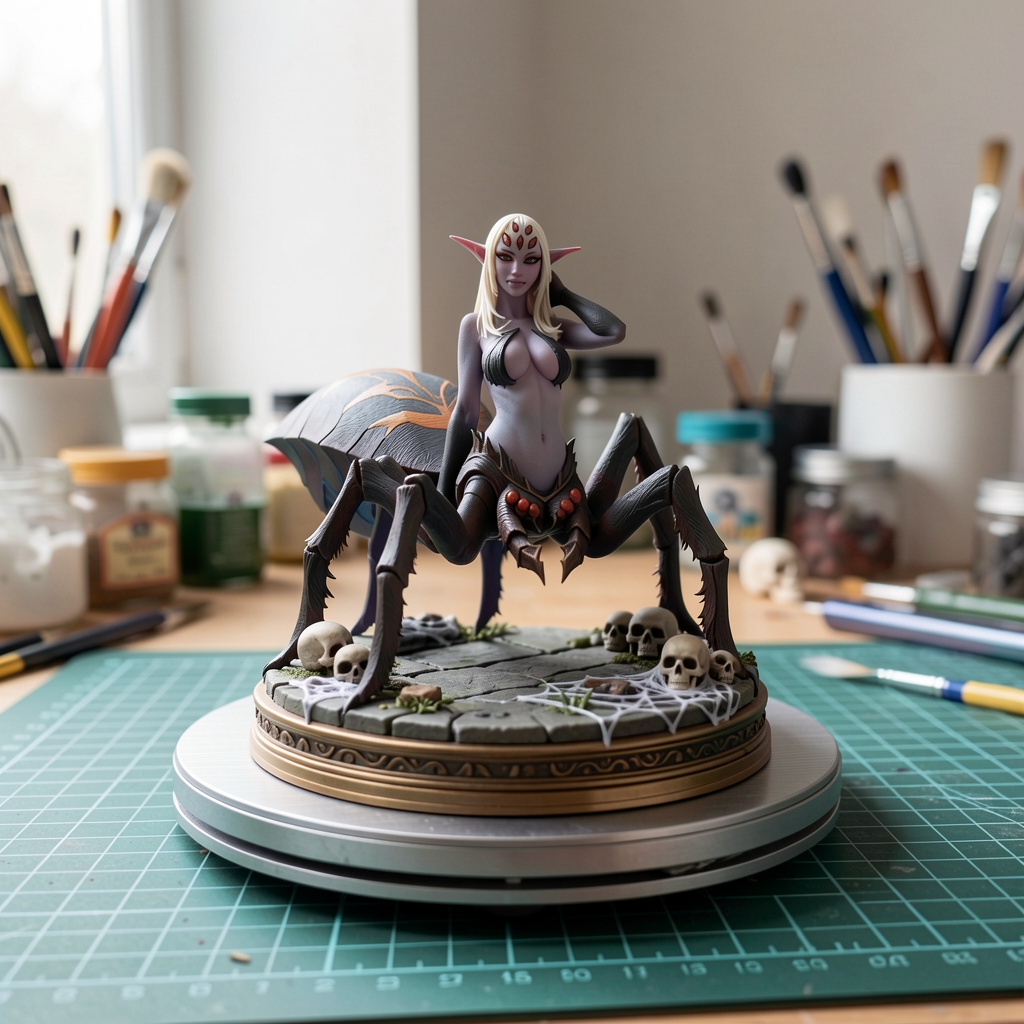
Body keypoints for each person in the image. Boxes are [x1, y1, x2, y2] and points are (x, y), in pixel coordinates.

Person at [442, 213, 626, 581]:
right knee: (459, 551)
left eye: (531, 259)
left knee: (600, 538)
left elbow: (613, 331)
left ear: (545, 266)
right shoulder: (476, 326)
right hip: (497, 471)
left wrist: (563, 295)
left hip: (560, 477)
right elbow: (466, 410)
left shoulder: (551, 327)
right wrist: (445, 492)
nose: (517, 270)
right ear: (488, 259)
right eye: (504, 256)